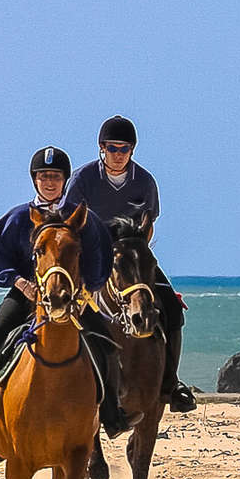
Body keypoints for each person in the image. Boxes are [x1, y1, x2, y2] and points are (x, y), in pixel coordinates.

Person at [0, 148, 127, 436]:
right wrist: (21, 283)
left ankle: (111, 414)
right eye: (44, 176)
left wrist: (86, 291)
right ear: (35, 180)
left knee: (105, 343)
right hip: (27, 294)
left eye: (55, 177)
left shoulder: (84, 218)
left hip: (74, 298)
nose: (49, 182)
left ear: (64, 180)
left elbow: (99, 259)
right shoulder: (17, 218)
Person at [65, 115, 197, 414]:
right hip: (93, 256)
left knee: (172, 308)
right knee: (62, 305)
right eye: (113, 148)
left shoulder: (145, 182)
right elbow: (72, 225)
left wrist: (138, 255)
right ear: (102, 148)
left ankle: (171, 384)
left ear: (132, 150)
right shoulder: (82, 179)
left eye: (125, 148)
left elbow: (148, 225)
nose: (119, 154)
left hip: (133, 256)